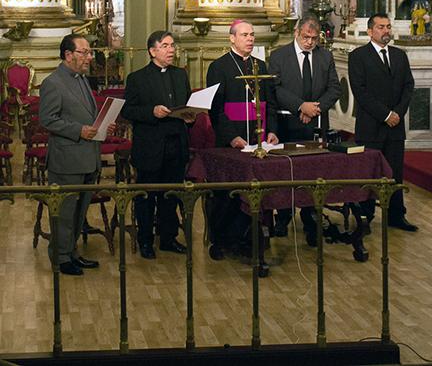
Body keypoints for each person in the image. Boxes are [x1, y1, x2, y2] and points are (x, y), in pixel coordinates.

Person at [206, 21, 279, 260]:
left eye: (252, 34)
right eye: (245, 34)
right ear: (232, 39)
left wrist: (272, 131)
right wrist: (232, 137)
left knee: (256, 190)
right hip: (233, 140)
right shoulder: (219, 67)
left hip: (258, 139)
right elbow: (216, 110)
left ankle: (250, 238)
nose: (250, 38)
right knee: (229, 194)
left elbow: (271, 104)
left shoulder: (260, 65)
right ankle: (221, 240)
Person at [39, 35, 108, 276]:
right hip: (67, 160)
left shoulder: (81, 80)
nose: (90, 57)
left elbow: (85, 114)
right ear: (68, 55)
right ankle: (60, 257)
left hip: (88, 157)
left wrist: (101, 125)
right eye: (85, 52)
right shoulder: (53, 82)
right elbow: (48, 119)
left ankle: (72, 253)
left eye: (89, 52)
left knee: (79, 214)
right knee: (65, 213)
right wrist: (79, 130)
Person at [269, 15, 341, 242]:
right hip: (288, 124)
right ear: (296, 33)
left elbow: (334, 89)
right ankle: (283, 215)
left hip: (316, 125)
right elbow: (275, 89)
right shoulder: (279, 56)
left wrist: (314, 109)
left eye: (314, 38)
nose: (310, 42)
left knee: (313, 173)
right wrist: (301, 106)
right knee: (284, 173)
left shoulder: (325, 56)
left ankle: (311, 218)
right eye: (305, 37)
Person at [121, 30, 192, 259]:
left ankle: (168, 238)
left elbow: (187, 104)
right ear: (152, 51)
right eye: (165, 46)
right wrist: (151, 111)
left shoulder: (180, 75)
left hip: (176, 144)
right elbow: (128, 110)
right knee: (146, 197)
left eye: (172, 45)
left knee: (170, 195)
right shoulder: (137, 78)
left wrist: (190, 116)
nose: (171, 50)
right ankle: (145, 241)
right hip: (150, 146)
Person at [348, 14, 417, 232]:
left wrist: (397, 113)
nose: (386, 30)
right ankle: (365, 216)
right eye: (380, 27)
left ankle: (396, 215)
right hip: (371, 127)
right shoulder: (358, 56)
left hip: (396, 127)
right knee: (369, 173)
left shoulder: (399, 56)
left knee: (395, 173)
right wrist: (385, 115)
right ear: (370, 31)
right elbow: (360, 91)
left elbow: (408, 86)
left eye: (388, 27)